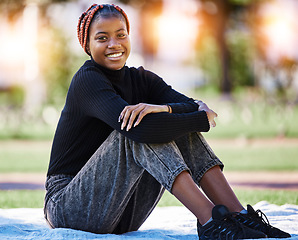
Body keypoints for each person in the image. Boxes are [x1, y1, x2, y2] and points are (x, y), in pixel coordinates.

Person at [44, 3, 291, 240]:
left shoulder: (142, 79)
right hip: (68, 206)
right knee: (136, 128)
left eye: (121, 35)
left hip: (122, 211)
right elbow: (195, 115)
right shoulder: (88, 80)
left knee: (168, 123)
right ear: (86, 44)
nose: (114, 44)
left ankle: (239, 215)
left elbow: (193, 105)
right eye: (102, 38)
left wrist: (164, 108)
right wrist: (198, 118)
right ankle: (212, 222)